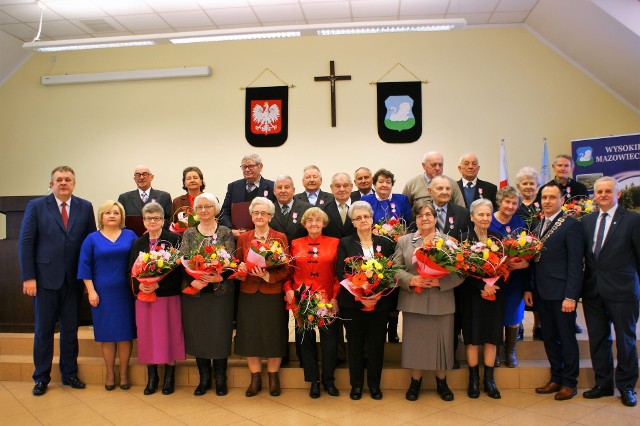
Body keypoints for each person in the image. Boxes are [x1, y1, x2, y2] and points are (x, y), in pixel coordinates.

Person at [19, 166, 96, 396]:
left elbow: (90, 244)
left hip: (73, 281)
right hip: (43, 281)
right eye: (59, 180)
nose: (64, 183)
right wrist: (28, 277)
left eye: (68, 180)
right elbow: (26, 243)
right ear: (51, 184)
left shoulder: (85, 207)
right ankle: (41, 377)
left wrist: (88, 280)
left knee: (70, 330)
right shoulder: (36, 206)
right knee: (43, 331)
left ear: (74, 184)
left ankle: (70, 373)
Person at [394, 200, 463, 401]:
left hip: (441, 301)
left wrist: (439, 283)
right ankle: (415, 382)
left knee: (442, 345)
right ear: (414, 219)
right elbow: (394, 270)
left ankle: (442, 382)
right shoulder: (404, 241)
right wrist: (411, 279)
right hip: (414, 300)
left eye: (428, 215)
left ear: (435, 218)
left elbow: (460, 273)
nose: (424, 218)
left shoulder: (449, 241)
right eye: (420, 215)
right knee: (415, 345)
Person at [581, 177, 640, 407]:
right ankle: (603, 384)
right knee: (598, 339)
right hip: (593, 290)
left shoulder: (633, 220)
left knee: (626, 341)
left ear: (618, 194)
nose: (603, 195)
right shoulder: (587, 221)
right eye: (599, 191)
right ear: (594, 195)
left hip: (623, 290)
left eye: (608, 191)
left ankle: (626, 387)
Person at [524, 182, 585, 401]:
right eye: (545, 198)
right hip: (541, 292)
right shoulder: (537, 225)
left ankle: (570, 382)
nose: (547, 201)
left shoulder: (570, 225)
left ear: (561, 200)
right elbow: (533, 262)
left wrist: (571, 296)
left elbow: (576, 264)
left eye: (552, 197)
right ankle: (556, 377)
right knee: (549, 338)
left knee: (566, 338)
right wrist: (529, 288)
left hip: (562, 294)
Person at [336, 201, 395, 401]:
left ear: (372, 219)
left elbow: (391, 272)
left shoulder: (385, 243)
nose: (363, 220)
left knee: (377, 344)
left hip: (379, 304)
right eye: (358, 218)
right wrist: (360, 294)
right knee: (355, 345)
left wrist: (376, 295)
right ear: (352, 222)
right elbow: (340, 272)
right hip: (353, 304)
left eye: (366, 217)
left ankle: (374, 385)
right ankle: (357, 386)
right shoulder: (345, 243)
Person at [234, 197, 291, 397]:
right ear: (251, 215)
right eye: (256, 213)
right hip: (249, 293)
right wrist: (240, 267)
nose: (260, 216)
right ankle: (255, 378)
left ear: (270, 216)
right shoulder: (243, 238)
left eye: (264, 213)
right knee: (250, 335)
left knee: (273, 334)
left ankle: (273, 377)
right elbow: (237, 264)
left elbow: (286, 269)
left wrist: (268, 275)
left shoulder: (280, 237)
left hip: (272, 293)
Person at [78, 200, 138, 391]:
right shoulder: (91, 239)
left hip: (126, 293)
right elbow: (84, 266)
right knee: (107, 335)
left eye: (116, 212)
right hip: (102, 294)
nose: (112, 215)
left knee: (124, 334)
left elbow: (140, 262)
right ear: (101, 217)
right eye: (107, 213)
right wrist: (91, 291)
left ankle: (124, 373)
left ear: (121, 216)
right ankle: (110, 372)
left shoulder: (130, 236)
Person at [180, 193, 235, 396]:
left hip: (220, 292)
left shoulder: (225, 232)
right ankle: (204, 378)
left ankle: (221, 378)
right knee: (199, 334)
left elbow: (231, 260)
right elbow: (183, 261)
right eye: (200, 207)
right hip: (197, 292)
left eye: (208, 206)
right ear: (195, 211)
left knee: (219, 334)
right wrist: (194, 280)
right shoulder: (189, 234)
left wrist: (218, 278)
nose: (204, 210)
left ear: (216, 209)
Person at [284, 207, 341, 398]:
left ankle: (329, 380)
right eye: (310, 220)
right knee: (305, 342)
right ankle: (313, 381)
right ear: (304, 224)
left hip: (326, 301)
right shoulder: (295, 243)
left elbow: (338, 275)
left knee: (330, 342)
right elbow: (287, 272)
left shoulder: (335, 243)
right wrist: (289, 291)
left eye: (318, 220)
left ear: (324, 223)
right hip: (302, 300)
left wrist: (334, 297)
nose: (314, 223)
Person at [129, 202, 185, 396]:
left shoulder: (174, 240)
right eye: (148, 218)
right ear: (143, 221)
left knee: (169, 334)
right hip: (145, 298)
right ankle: (152, 378)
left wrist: (158, 284)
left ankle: (169, 378)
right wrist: (141, 285)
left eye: (157, 218)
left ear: (163, 220)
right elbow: (131, 272)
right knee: (148, 336)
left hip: (168, 297)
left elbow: (180, 271)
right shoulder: (138, 243)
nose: (152, 221)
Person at [459, 199, 507, 400]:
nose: (485, 218)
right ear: (472, 217)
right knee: (472, 336)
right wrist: (482, 286)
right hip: (471, 295)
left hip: (494, 295)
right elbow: (461, 269)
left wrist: (493, 287)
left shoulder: (497, 238)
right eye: (480, 214)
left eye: (488, 214)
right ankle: (474, 381)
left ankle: (489, 380)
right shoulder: (464, 239)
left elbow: (505, 266)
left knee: (491, 336)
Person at [361, 168, 409, 343]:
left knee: (395, 289)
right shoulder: (366, 200)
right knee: (379, 285)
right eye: (381, 181)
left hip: (397, 251)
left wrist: (400, 232)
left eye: (388, 182)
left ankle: (393, 329)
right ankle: (379, 327)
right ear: (375, 184)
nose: (384, 185)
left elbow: (408, 223)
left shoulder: (401, 200)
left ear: (392, 184)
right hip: (374, 251)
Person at [429, 175, 472, 368]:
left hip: (453, 278)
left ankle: (450, 354)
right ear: (430, 191)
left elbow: (468, 244)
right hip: (428, 278)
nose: (445, 192)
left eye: (448, 188)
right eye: (439, 188)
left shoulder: (462, 213)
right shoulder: (422, 212)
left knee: (453, 319)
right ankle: (429, 354)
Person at [489, 186, 530, 368]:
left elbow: (529, 250)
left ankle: (510, 351)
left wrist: (524, 263)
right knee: (495, 314)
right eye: (507, 201)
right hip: (493, 278)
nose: (510, 206)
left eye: (514, 203)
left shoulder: (521, 223)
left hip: (515, 278)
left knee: (513, 314)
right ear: (500, 202)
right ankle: (496, 350)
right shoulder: (488, 221)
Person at [514, 166, 543, 340]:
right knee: (519, 290)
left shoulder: (542, 205)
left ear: (537, 185)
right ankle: (519, 325)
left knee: (538, 289)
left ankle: (538, 325)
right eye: (525, 183)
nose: (528, 187)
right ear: (519, 186)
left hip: (540, 256)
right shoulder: (515, 206)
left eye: (532, 183)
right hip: (519, 255)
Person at [219, 154, 276, 237]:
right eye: (244, 167)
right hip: (239, 236)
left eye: (251, 166)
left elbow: (275, 214)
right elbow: (225, 212)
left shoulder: (272, 187)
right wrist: (231, 230)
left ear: (260, 167)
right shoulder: (233, 187)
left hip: (264, 236)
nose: (247, 169)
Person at [118, 165, 172, 232]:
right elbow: (120, 220)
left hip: (157, 237)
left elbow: (169, 219)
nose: (141, 177)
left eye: (145, 174)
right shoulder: (124, 198)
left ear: (152, 177)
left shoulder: (164, 196)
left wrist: (155, 229)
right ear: (134, 179)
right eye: (138, 175)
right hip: (132, 238)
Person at [271, 175, 312, 244]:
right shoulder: (268, 210)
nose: (283, 191)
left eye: (287, 187)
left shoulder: (307, 209)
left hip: (301, 252)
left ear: (293, 190)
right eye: (279, 188)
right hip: (275, 253)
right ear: (274, 191)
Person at [321, 172, 357, 240]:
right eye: (337, 186)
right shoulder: (323, 210)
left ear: (351, 186)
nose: (342, 189)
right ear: (331, 188)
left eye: (345, 186)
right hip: (331, 248)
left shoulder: (360, 208)